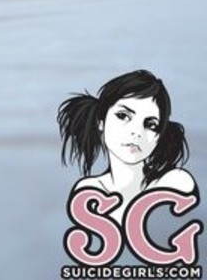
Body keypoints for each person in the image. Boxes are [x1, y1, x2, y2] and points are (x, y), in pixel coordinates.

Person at [58, 70, 196, 219]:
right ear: (101, 122)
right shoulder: (89, 191)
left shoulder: (175, 182)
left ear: (159, 136)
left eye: (151, 125)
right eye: (123, 116)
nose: (137, 132)